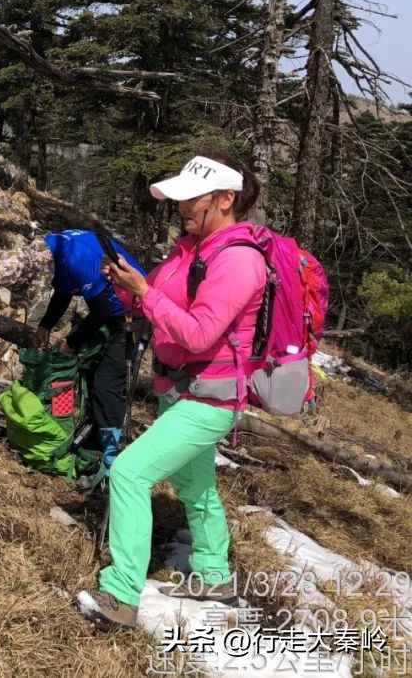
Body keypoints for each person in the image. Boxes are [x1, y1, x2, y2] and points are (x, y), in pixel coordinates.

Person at [76, 152, 265, 630]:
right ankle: (214, 576)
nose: (181, 208)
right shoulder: (190, 251)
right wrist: (127, 285)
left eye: (191, 199)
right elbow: (154, 301)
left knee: (130, 473)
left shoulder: (239, 260)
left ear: (226, 199)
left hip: (209, 400)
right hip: (180, 391)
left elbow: (199, 334)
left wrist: (145, 292)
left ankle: (121, 596)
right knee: (194, 486)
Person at [33, 229, 146, 481]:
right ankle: (94, 441)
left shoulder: (76, 257)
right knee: (92, 373)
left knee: (108, 383)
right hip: (113, 311)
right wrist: (45, 325)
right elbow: (63, 290)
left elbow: (101, 311)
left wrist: (70, 343)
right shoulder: (57, 247)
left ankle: (113, 457)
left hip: (133, 314)